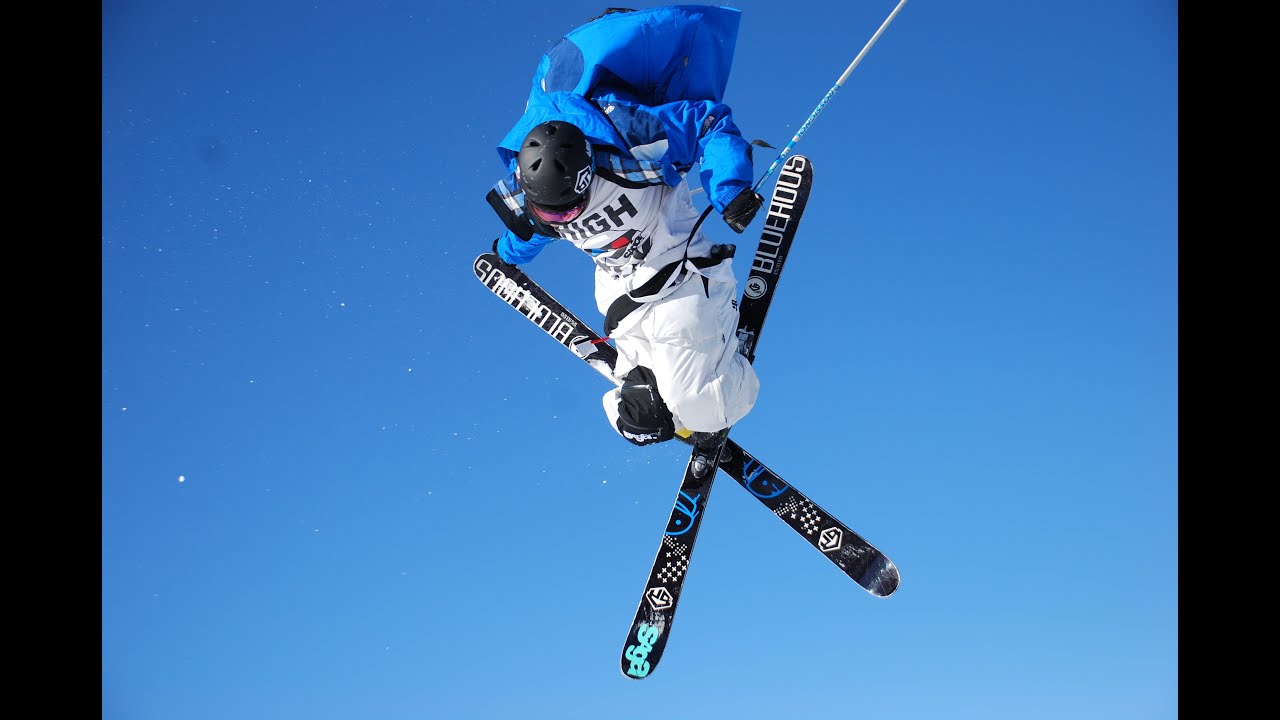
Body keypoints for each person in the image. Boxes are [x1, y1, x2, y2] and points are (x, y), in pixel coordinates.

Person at [485, 6, 763, 451]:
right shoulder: (533, 189)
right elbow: (528, 228)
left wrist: (728, 188)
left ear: (585, 177)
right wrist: (504, 255)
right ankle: (669, 401)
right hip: (621, 302)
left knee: (702, 406)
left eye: (568, 211)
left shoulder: (630, 135)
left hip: (682, 281)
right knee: (639, 419)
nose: (564, 223)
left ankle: (720, 375)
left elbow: (708, 123)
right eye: (553, 217)